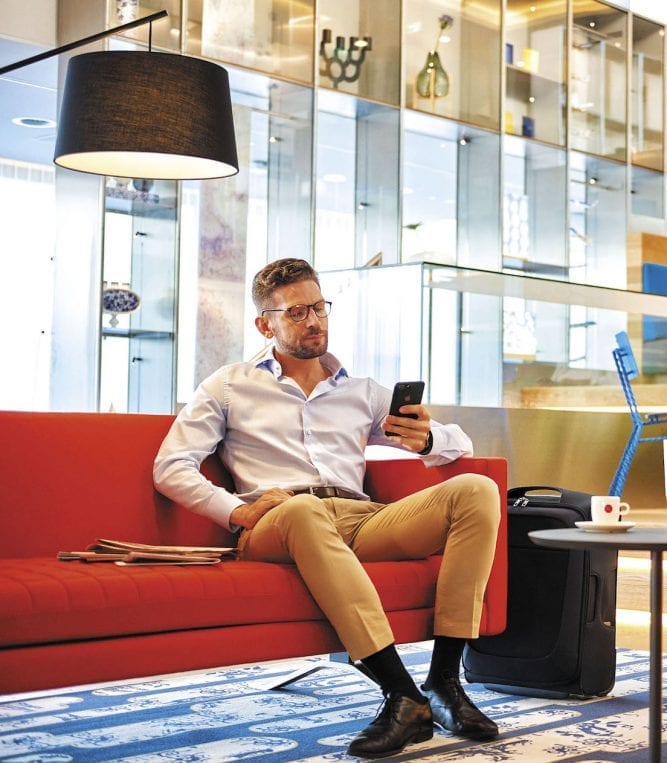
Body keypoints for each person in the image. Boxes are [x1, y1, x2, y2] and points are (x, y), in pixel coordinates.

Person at [153, 258, 501, 759]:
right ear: (265, 325)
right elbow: (171, 466)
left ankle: (444, 683)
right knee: (303, 510)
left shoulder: (362, 392)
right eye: (296, 312)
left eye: (319, 307)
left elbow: (458, 443)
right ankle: (400, 692)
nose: (314, 321)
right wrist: (236, 511)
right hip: (278, 522)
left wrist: (426, 438)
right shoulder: (229, 385)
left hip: (359, 520)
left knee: (476, 490)